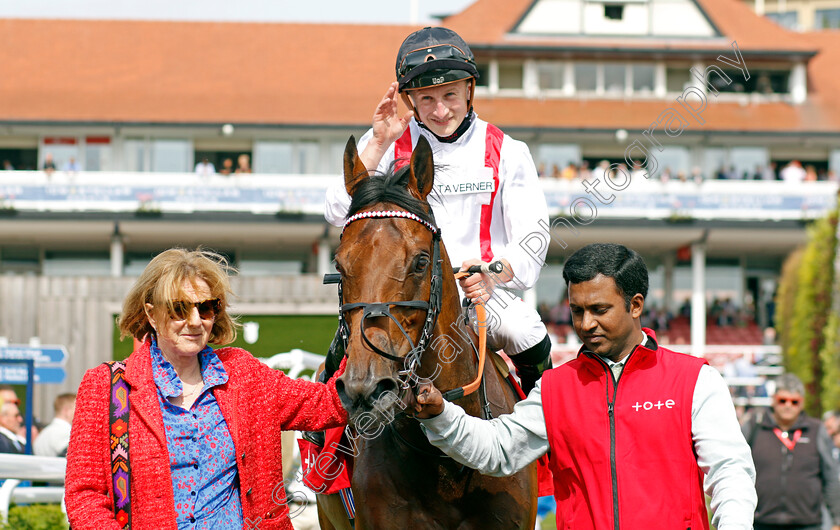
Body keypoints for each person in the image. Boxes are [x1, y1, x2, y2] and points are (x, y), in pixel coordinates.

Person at [410, 243, 757, 529]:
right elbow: (497, 450)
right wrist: (440, 415)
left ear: (635, 305)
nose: (586, 324)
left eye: (599, 309)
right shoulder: (555, 388)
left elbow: (730, 473)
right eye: (577, 311)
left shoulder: (695, 380)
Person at [324, 26, 552, 393]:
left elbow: (533, 235)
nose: (441, 110)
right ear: (410, 100)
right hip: (401, 295)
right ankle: (328, 449)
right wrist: (379, 142)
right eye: (427, 99)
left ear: (469, 90)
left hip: (480, 292)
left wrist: (494, 273)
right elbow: (336, 209)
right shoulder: (385, 143)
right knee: (338, 357)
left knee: (525, 331)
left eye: (450, 94)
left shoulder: (508, 150)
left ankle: (545, 430)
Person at [65, 248, 347, 529]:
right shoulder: (106, 387)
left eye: (205, 307)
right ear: (151, 314)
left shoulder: (245, 375)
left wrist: (367, 326)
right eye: (178, 309)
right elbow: (84, 497)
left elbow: (331, 403)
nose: (195, 321)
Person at [743, 373, 840, 530]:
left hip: (807, 524)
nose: (788, 405)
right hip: (760, 522)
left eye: (795, 402)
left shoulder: (816, 430)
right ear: (773, 400)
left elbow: (830, 477)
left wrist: (837, 520)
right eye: (783, 400)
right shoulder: (755, 427)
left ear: (802, 403)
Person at [34, 392, 76, 457]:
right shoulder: (64, 432)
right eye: (77, 409)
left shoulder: (44, 433)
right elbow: (70, 455)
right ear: (66, 411)